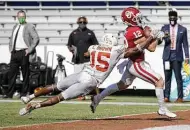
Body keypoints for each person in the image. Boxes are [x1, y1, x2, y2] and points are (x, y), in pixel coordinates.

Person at [19, 33, 150, 116]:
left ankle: (29, 96)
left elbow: (86, 54)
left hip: (82, 74)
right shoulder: (116, 50)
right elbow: (135, 50)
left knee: (55, 86)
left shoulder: (93, 47)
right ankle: (34, 107)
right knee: (60, 97)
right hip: (90, 80)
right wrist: (149, 38)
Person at [90, 7, 176, 118]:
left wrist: (157, 38)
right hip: (137, 63)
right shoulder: (135, 31)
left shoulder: (132, 30)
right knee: (159, 81)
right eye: (137, 17)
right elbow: (151, 48)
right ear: (131, 19)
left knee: (122, 85)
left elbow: (148, 44)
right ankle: (162, 109)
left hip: (132, 62)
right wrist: (157, 37)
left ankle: (97, 98)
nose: (139, 19)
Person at [4, 10, 39, 98]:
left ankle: (24, 93)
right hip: (15, 53)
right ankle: (9, 94)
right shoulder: (15, 26)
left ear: (25, 17)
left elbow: (36, 38)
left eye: (23, 17)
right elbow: (12, 39)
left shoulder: (29, 26)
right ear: (17, 17)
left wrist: (29, 50)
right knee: (11, 74)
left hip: (24, 53)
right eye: (20, 17)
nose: (21, 18)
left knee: (25, 74)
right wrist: (11, 49)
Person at [161, 10, 190, 103]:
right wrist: (165, 37)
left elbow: (185, 44)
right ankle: (166, 96)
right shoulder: (164, 28)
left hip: (177, 56)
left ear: (176, 18)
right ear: (169, 18)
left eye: (174, 18)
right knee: (167, 77)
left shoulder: (182, 29)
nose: (172, 19)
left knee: (178, 77)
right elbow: (161, 41)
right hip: (167, 56)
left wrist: (187, 56)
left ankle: (180, 97)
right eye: (170, 18)